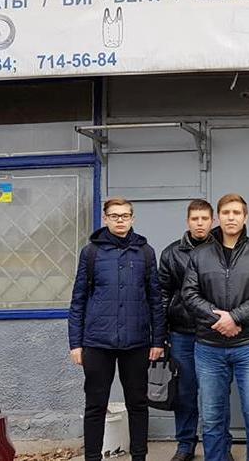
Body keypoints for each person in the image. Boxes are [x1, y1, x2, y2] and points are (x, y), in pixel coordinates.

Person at [182, 193, 249, 461]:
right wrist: (220, 320)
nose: (231, 217)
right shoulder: (199, 254)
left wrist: (235, 317)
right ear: (218, 218)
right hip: (208, 347)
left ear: (245, 217)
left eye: (237, 213)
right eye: (226, 213)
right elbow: (189, 294)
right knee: (212, 419)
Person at [68, 197, 165, 461]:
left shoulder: (146, 252)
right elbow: (78, 300)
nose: (120, 220)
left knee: (138, 403)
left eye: (124, 215)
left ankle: (139, 457)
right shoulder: (91, 253)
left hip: (136, 342)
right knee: (95, 405)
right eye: (114, 216)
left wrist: (158, 340)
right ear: (105, 219)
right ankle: (92, 457)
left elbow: (155, 299)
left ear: (132, 218)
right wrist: (75, 343)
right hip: (97, 342)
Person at [159, 199, 217, 461]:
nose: (200, 223)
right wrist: (161, 335)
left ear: (212, 221)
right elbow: (162, 295)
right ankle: (185, 445)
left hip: (214, 332)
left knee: (217, 393)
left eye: (204, 219)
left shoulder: (222, 249)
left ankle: (219, 444)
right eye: (195, 219)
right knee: (184, 392)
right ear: (188, 221)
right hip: (182, 333)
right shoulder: (172, 253)